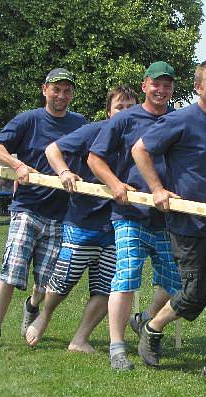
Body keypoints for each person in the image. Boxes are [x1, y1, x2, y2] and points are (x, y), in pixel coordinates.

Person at [131, 59, 206, 373]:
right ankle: (152, 327)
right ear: (198, 88)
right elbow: (140, 150)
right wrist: (157, 189)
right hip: (189, 222)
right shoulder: (180, 120)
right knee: (194, 293)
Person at [25, 85, 139, 356]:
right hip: (82, 221)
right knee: (63, 281)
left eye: (130, 108)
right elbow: (53, 149)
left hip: (116, 224)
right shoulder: (93, 131)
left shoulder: (139, 136)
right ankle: (44, 316)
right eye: (119, 107)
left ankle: (80, 339)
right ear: (109, 111)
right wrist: (64, 171)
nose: (125, 113)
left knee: (106, 287)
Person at [0, 68, 86, 350]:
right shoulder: (29, 120)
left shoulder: (79, 123)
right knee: (11, 271)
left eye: (67, 90)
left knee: (47, 281)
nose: (61, 95)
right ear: (44, 90)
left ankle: (32, 306)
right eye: (56, 89)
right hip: (27, 209)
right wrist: (17, 165)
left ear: (72, 94)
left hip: (60, 214)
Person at [88, 61, 181, 369]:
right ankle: (117, 348)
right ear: (145, 85)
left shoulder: (178, 120)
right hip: (129, 214)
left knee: (177, 284)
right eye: (156, 84)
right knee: (126, 277)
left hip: (168, 218)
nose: (162, 90)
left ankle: (145, 320)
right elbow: (94, 158)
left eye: (167, 85)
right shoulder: (125, 120)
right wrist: (114, 183)